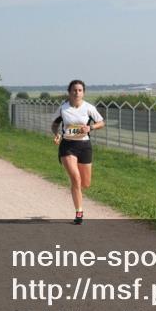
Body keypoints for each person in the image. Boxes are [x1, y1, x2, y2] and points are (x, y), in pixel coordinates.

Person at [50, 80, 104, 224]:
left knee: (85, 183)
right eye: (74, 90)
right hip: (67, 146)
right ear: (69, 92)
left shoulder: (89, 108)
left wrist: (91, 128)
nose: (77, 93)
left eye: (80, 90)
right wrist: (57, 134)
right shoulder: (63, 108)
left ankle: (76, 189)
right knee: (76, 178)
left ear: (83, 93)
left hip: (84, 145)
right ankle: (79, 213)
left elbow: (101, 122)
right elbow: (54, 124)